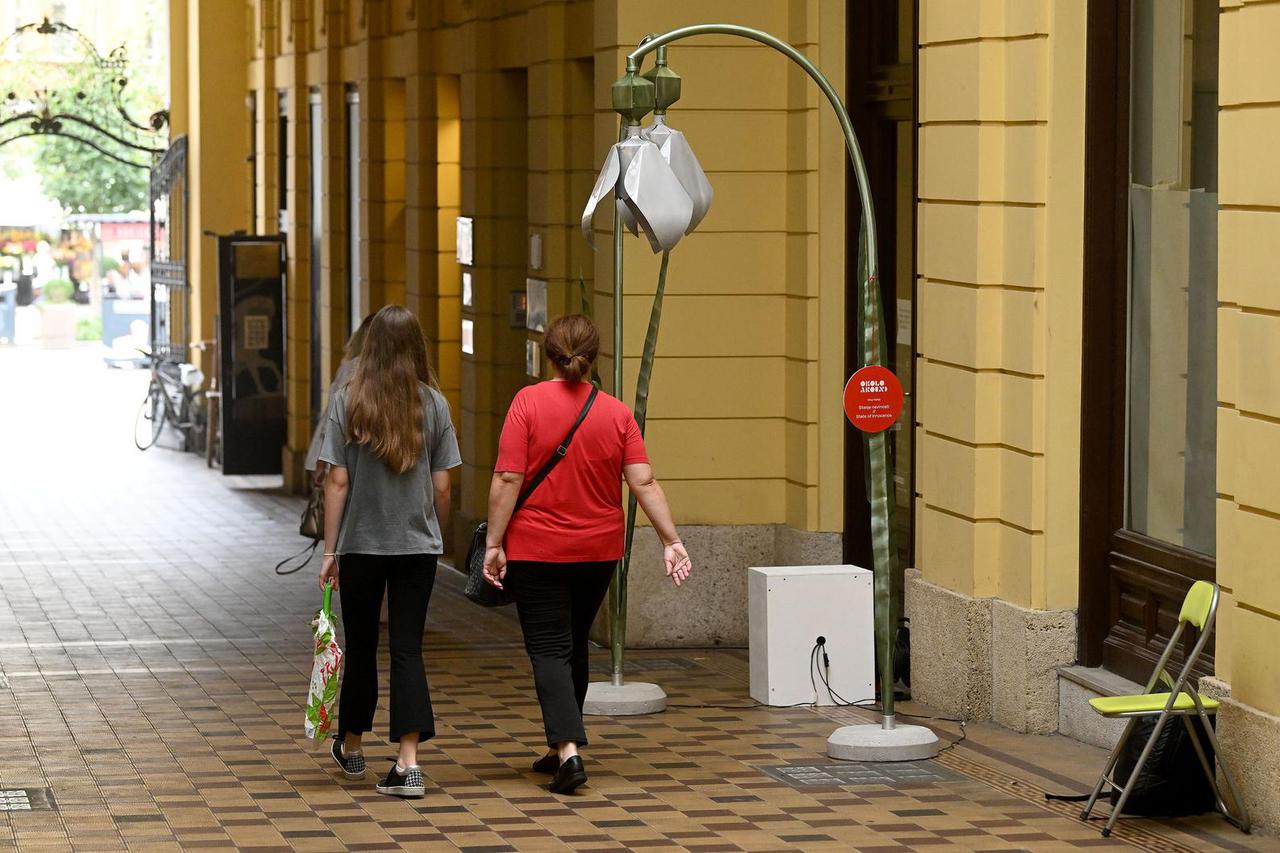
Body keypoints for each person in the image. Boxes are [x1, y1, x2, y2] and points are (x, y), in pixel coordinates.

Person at [482, 313, 692, 795]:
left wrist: (494, 543)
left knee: (549, 648)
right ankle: (560, 746)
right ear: (594, 357)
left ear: (546, 352)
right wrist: (671, 540)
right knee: (572, 643)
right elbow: (643, 481)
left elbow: (508, 478)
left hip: (537, 547)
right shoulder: (616, 412)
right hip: (599, 551)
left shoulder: (527, 403)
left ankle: (570, 752)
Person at [318, 305, 461, 799]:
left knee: (361, 646)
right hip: (417, 547)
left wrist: (329, 552)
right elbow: (442, 487)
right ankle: (408, 763)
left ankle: (353, 744)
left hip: (360, 545)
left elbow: (337, 480)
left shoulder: (347, 401)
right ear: (416, 347)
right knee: (407, 649)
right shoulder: (435, 405)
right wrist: (434, 536)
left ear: (372, 346)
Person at [305, 314, 374, 485]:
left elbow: (331, 417)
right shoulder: (405, 373)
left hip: (349, 457)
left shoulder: (350, 369)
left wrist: (320, 460)